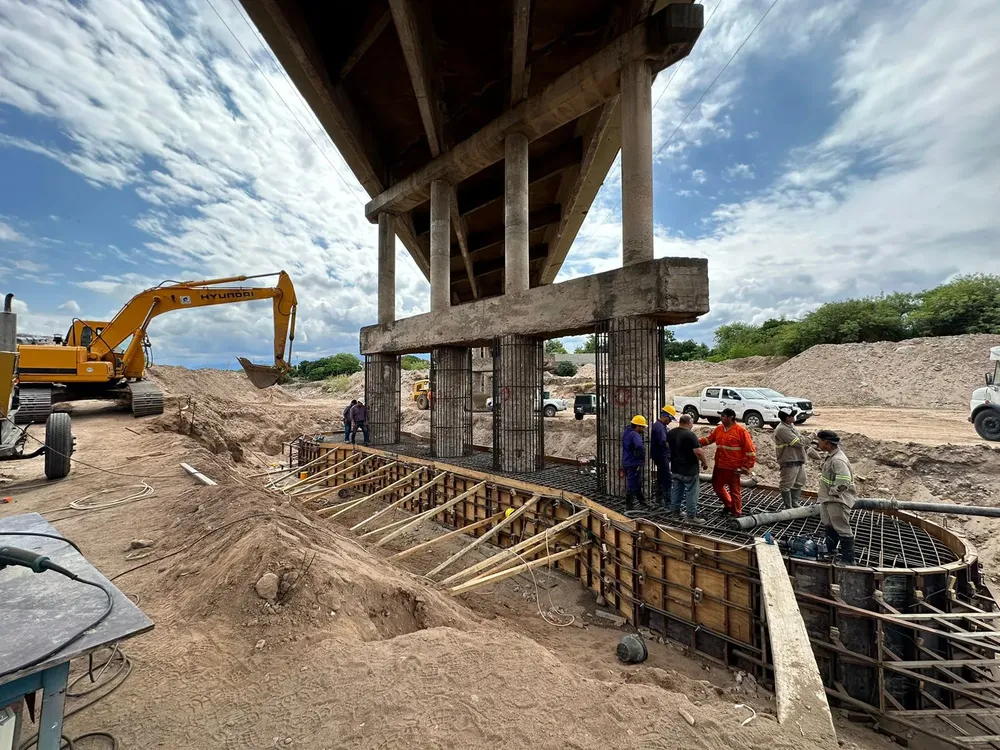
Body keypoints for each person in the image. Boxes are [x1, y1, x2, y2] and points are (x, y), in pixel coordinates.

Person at [700, 408, 756, 517]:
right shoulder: (719, 429)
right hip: (720, 465)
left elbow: (751, 451)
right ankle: (729, 505)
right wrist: (695, 442)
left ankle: (736, 513)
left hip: (733, 467)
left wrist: (746, 467)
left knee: (735, 490)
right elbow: (709, 439)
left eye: (723, 416)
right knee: (717, 486)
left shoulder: (741, 431)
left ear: (730, 417)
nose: (721, 418)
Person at [812, 429, 856, 564]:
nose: (818, 443)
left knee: (842, 528)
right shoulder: (832, 456)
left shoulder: (838, 460)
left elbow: (844, 482)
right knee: (830, 525)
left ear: (826, 442)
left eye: (819, 441)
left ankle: (848, 560)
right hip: (829, 499)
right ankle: (831, 551)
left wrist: (833, 492)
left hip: (837, 500)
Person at [666, 413, 709, 523]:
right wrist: (704, 463)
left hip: (675, 468)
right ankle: (691, 516)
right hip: (689, 470)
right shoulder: (690, 435)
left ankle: (675, 512)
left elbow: (667, 446)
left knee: (676, 490)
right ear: (689, 423)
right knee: (691, 493)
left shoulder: (671, 432)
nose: (692, 425)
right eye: (692, 423)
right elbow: (698, 451)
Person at [773, 407, 806, 508]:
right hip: (789, 460)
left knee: (800, 481)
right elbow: (799, 442)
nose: (794, 417)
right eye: (792, 415)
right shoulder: (782, 429)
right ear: (787, 418)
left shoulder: (790, 425)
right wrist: (812, 437)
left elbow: (801, 439)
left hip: (797, 459)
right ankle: (788, 506)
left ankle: (794, 503)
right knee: (786, 484)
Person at [650, 405, 676, 507]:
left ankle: (659, 499)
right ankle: (668, 503)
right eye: (670, 419)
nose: (670, 421)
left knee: (661, 477)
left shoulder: (660, 426)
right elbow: (663, 442)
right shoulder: (659, 427)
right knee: (667, 478)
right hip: (662, 456)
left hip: (660, 456)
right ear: (666, 416)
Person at [621, 415, 648, 513]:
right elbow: (639, 446)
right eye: (642, 427)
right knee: (632, 483)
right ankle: (629, 506)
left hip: (626, 461)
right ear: (637, 426)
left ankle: (642, 501)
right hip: (633, 463)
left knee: (637, 483)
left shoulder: (626, 431)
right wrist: (640, 456)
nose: (643, 429)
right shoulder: (635, 435)